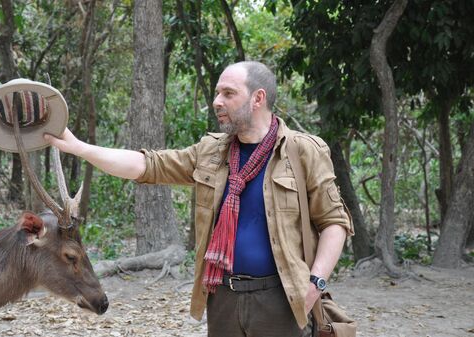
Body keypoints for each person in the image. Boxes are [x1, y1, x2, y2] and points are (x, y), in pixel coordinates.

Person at [45, 61, 353, 337]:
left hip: (281, 298)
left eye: (228, 94)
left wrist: (316, 284)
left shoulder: (303, 151)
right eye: (217, 93)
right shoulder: (211, 152)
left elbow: (334, 222)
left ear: (258, 98)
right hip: (223, 298)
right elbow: (146, 165)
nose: (217, 102)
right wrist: (80, 148)